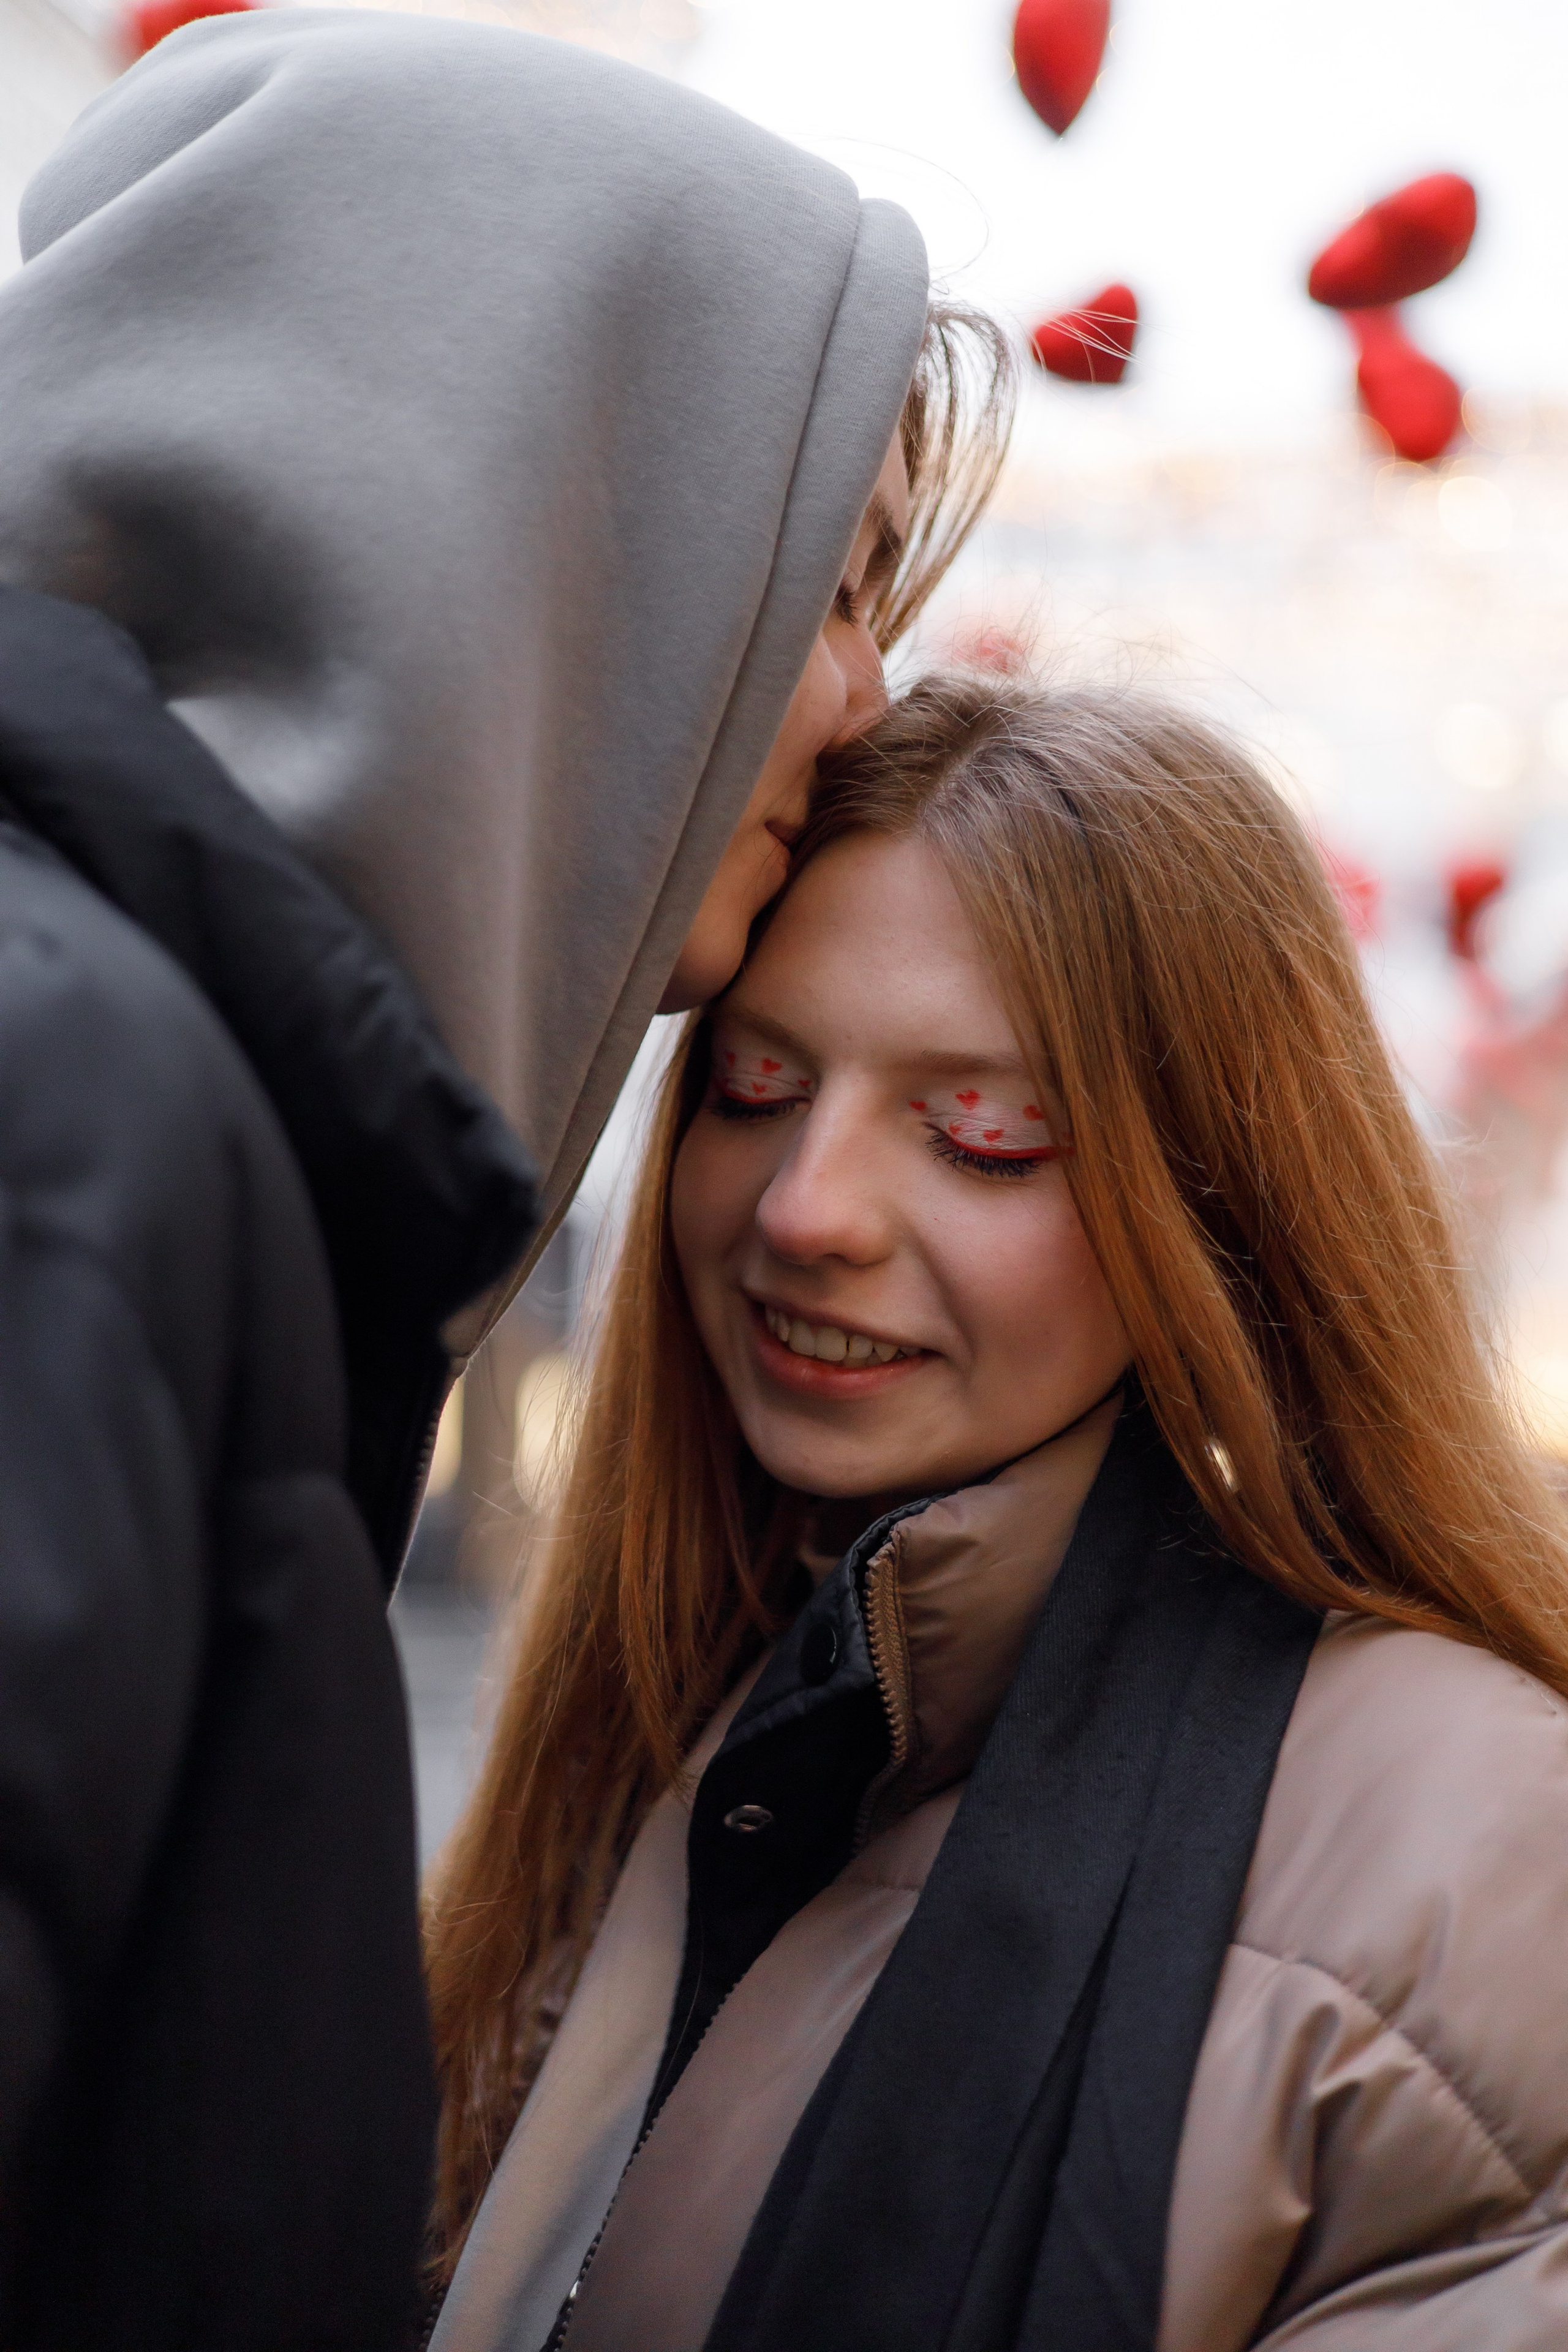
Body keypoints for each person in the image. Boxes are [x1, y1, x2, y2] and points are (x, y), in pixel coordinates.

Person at [0, 16, 1012, 2347]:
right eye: (819, 578)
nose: (859, 693)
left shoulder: (167, 1103)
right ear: (525, 507)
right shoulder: (79, 1110)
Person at [424, 676, 1568, 2351]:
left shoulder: (1476, 1842)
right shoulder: (686, 1717)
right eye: (753, 1089)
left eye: (984, 1134)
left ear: (1224, 1205)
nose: (810, 1209)